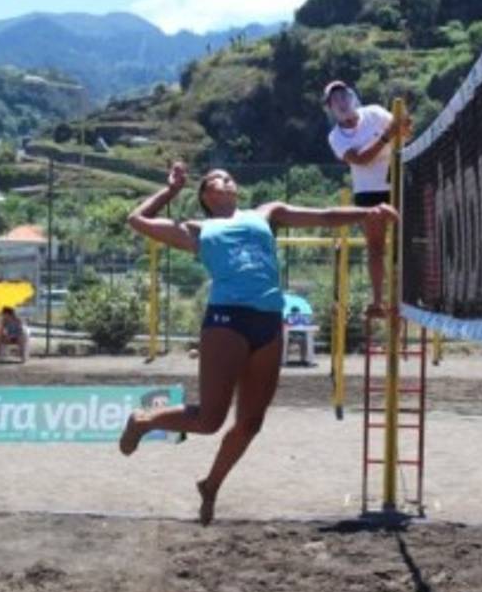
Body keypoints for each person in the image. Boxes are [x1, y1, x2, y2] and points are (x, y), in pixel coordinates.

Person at [120, 161, 398, 525]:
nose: (228, 178)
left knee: (251, 423)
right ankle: (142, 421)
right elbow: (136, 220)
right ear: (205, 194)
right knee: (209, 420)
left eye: (229, 176)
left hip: (269, 321)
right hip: (227, 320)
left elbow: (326, 215)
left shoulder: (267, 212)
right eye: (218, 178)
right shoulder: (198, 229)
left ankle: (211, 485)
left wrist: (369, 211)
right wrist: (171, 190)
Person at [323, 80, 411, 316]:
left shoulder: (374, 113)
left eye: (343, 95)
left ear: (352, 97)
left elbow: (403, 133)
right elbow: (361, 159)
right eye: (334, 99)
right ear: (330, 108)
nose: (340, 101)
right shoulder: (336, 137)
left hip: (398, 184)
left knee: (409, 240)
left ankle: (409, 295)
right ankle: (377, 302)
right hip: (368, 192)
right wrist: (385, 138)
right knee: (375, 246)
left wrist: (404, 123)